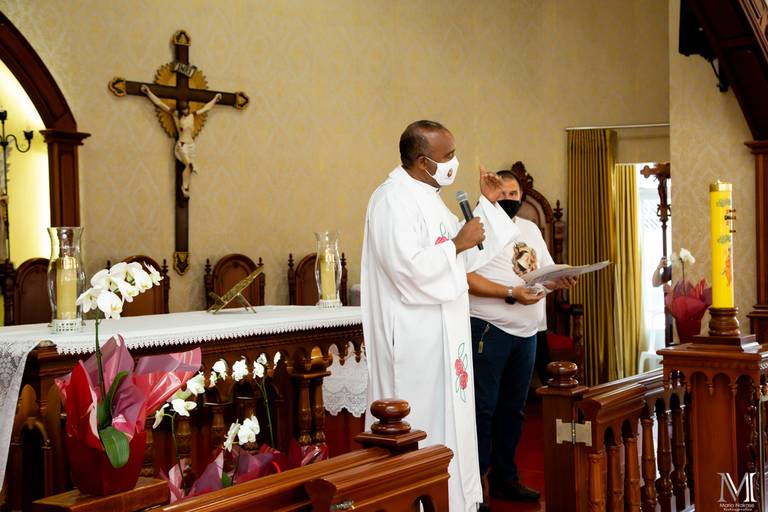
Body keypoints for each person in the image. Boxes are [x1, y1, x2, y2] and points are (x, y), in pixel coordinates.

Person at [361, 120, 519, 512]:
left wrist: (488, 206)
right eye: (447, 156)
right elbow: (406, 270)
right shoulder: (390, 199)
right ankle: (419, 502)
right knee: (424, 419)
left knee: (455, 422)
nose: (454, 163)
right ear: (421, 160)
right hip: (417, 341)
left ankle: (457, 500)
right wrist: (455, 245)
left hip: (447, 337)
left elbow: (471, 251)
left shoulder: (428, 196)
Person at [467, 169, 577, 503]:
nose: (511, 199)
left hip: (527, 331)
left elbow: (543, 270)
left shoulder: (528, 228)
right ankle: (476, 488)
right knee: (483, 410)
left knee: (514, 409)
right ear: (491, 193)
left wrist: (560, 279)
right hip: (489, 327)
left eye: (515, 194)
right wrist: (511, 293)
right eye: (504, 193)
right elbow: (466, 277)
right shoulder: (476, 226)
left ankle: (505, 478)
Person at [140, 85, 222, 198]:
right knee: (189, 165)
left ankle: (185, 188)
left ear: (188, 108)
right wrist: (148, 93)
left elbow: (206, 108)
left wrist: (215, 99)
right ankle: (184, 188)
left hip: (191, 146)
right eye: (183, 109)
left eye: (186, 109)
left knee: (189, 167)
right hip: (181, 146)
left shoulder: (192, 115)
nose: (185, 111)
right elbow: (160, 103)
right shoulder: (176, 115)